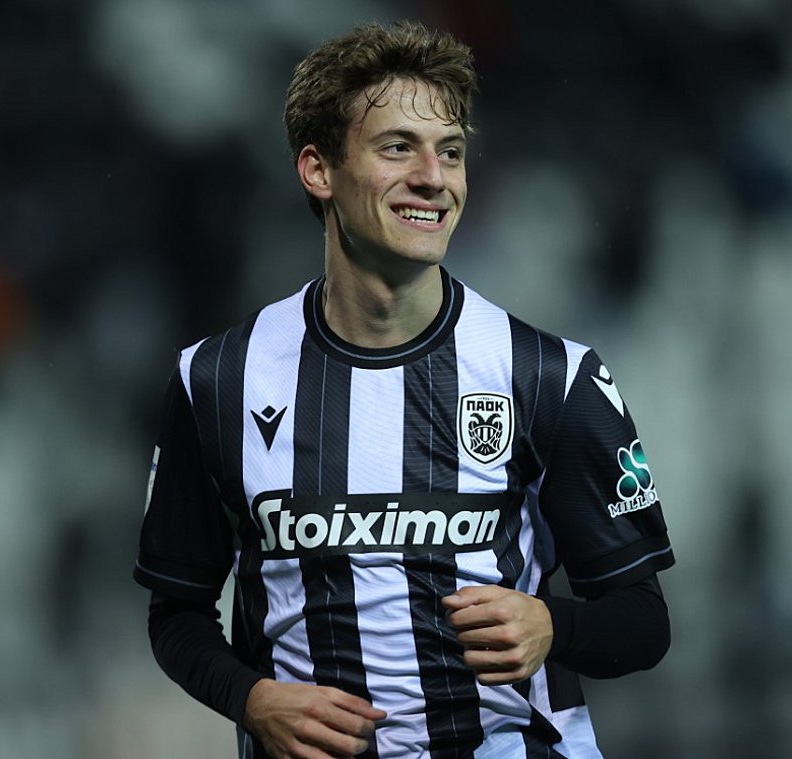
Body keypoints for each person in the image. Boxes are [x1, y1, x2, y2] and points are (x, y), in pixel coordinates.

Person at [134, 20, 674, 759]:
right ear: (318, 170)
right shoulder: (218, 380)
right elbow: (177, 613)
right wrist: (252, 698)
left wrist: (554, 625)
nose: (433, 177)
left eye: (450, 151)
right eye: (398, 148)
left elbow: (643, 620)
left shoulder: (550, 376)